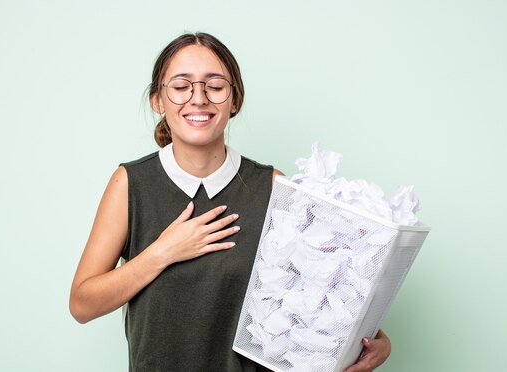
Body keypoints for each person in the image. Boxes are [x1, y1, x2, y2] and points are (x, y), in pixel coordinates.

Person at [69, 32, 391, 372]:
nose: (198, 98)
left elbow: (323, 285)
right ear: (158, 101)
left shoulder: (272, 186)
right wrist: (163, 252)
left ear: (234, 100)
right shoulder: (130, 184)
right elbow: (82, 304)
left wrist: (374, 339)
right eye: (181, 86)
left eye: (215, 86)